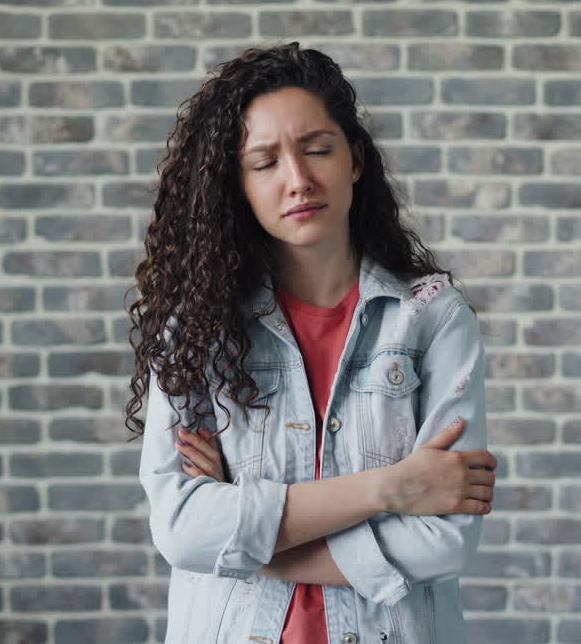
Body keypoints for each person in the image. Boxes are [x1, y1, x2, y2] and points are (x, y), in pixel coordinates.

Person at [126, 42, 496, 644]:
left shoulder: (431, 319)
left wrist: (251, 540)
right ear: (237, 185)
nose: (298, 180)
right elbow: (182, 531)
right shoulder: (198, 331)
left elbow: (444, 540)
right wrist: (390, 488)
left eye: (317, 149)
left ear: (355, 160)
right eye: (264, 162)